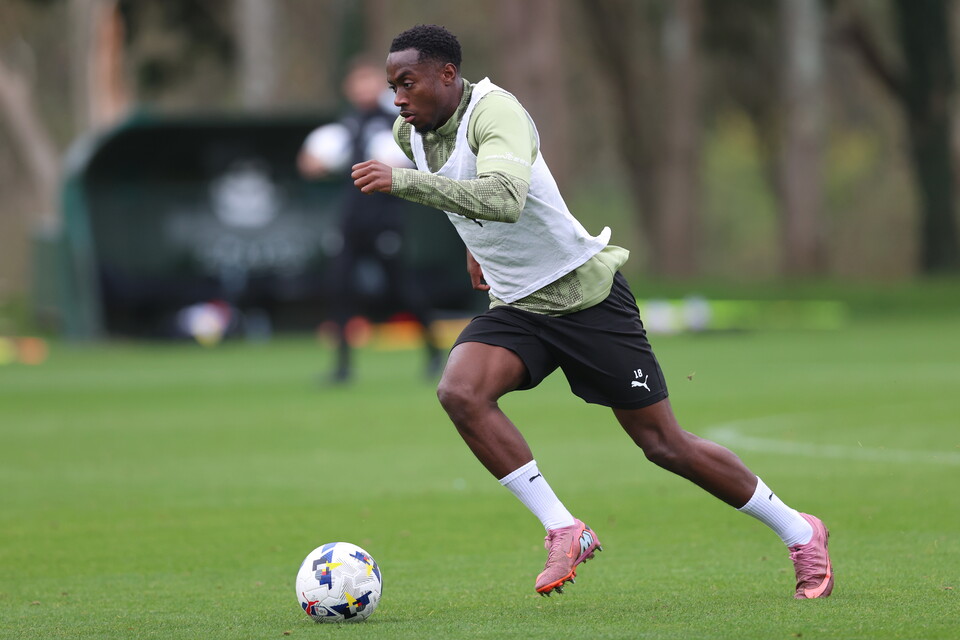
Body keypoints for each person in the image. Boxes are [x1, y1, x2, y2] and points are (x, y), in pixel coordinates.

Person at [351, 24, 833, 599]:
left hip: (584, 297)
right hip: (517, 306)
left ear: (447, 75)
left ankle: (801, 532)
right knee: (460, 391)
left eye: (407, 83)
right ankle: (564, 527)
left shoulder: (496, 112)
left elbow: (504, 196)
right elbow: (462, 192)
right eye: (392, 86)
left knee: (663, 445)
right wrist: (472, 250)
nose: (398, 97)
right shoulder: (415, 135)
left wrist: (406, 186)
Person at [299, 56, 442, 383]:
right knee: (339, 288)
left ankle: (435, 353)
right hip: (351, 219)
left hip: (384, 217)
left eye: (369, 82)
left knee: (400, 288)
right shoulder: (346, 126)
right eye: (356, 82)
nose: (362, 89)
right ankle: (342, 367)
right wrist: (316, 163)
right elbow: (310, 162)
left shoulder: (397, 122)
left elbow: (406, 162)